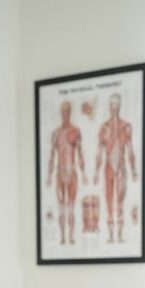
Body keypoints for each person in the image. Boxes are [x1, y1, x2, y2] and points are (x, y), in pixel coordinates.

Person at [93, 92, 137, 244]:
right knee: (109, 201)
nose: (114, 107)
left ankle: (119, 234)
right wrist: (96, 172)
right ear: (109, 107)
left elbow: (130, 150)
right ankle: (111, 235)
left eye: (117, 104)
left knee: (119, 203)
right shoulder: (104, 128)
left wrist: (133, 170)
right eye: (112, 104)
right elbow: (99, 151)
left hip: (121, 168)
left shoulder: (125, 127)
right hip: (108, 168)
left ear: (120, 106)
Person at [47, 100, 87, 245]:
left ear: (70, 113)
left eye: (67, 111)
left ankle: (71, 237)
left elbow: (80, 154)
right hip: (59, 172)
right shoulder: (56, 133)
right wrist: (49, 176)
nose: (65, 114)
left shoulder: (75, 132)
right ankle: (63, 238)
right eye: (63, 111)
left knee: (70, 207)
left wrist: (84, 174)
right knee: (61, 207)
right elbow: (52, 155)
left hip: (71, 172)